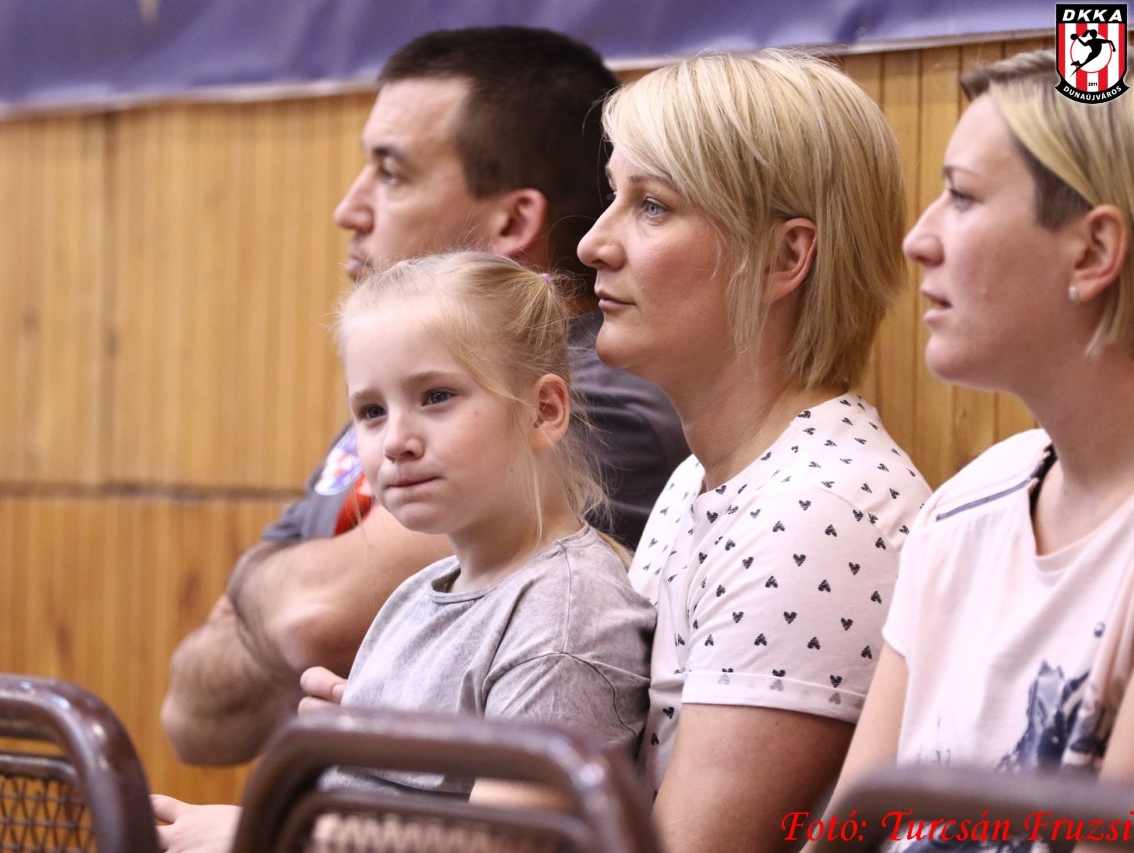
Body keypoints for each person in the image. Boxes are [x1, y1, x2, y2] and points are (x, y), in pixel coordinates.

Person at [160, 26, 688, 767]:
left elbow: (312, 617)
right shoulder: (403, 411)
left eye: (391, 172)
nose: (350, 208)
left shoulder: (600, 406)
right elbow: (195, 715)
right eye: (372, 413)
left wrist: (251, 584)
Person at [155, 252, 655, 850]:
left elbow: (502, 844)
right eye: (371, 411)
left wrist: (270, 834)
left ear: (543, 412)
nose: (395, 441)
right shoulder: (417, 594)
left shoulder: (566, 617)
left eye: (436, 396)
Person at [573, 50, 932, 852]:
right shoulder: (703, 479)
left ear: (784, 258)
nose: (594, 243)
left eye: (652, 206)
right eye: (613, 197)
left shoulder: (826, 503)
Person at [818, 49, 1134, 849]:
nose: (917, 240)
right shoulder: (964, 506)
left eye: (960, 196)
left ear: (1094, 251)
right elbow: (845, 835)